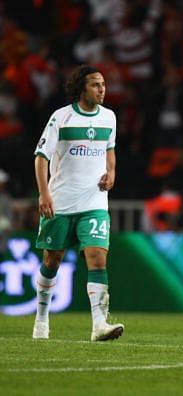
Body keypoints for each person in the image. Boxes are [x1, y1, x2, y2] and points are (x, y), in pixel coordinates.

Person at [32, 65, 124, 340]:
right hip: (61, 201)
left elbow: (110, 150)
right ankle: (41, 319)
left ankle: (99, 324)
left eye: (104, 84)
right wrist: (44, 194)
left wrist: (112, 172)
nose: (102, 89)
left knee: (97, 258)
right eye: (96, 84)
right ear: (81, 88)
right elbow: (41, 157)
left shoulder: (109, 117)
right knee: (52, 260)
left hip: (95, 202)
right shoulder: (62, 117)